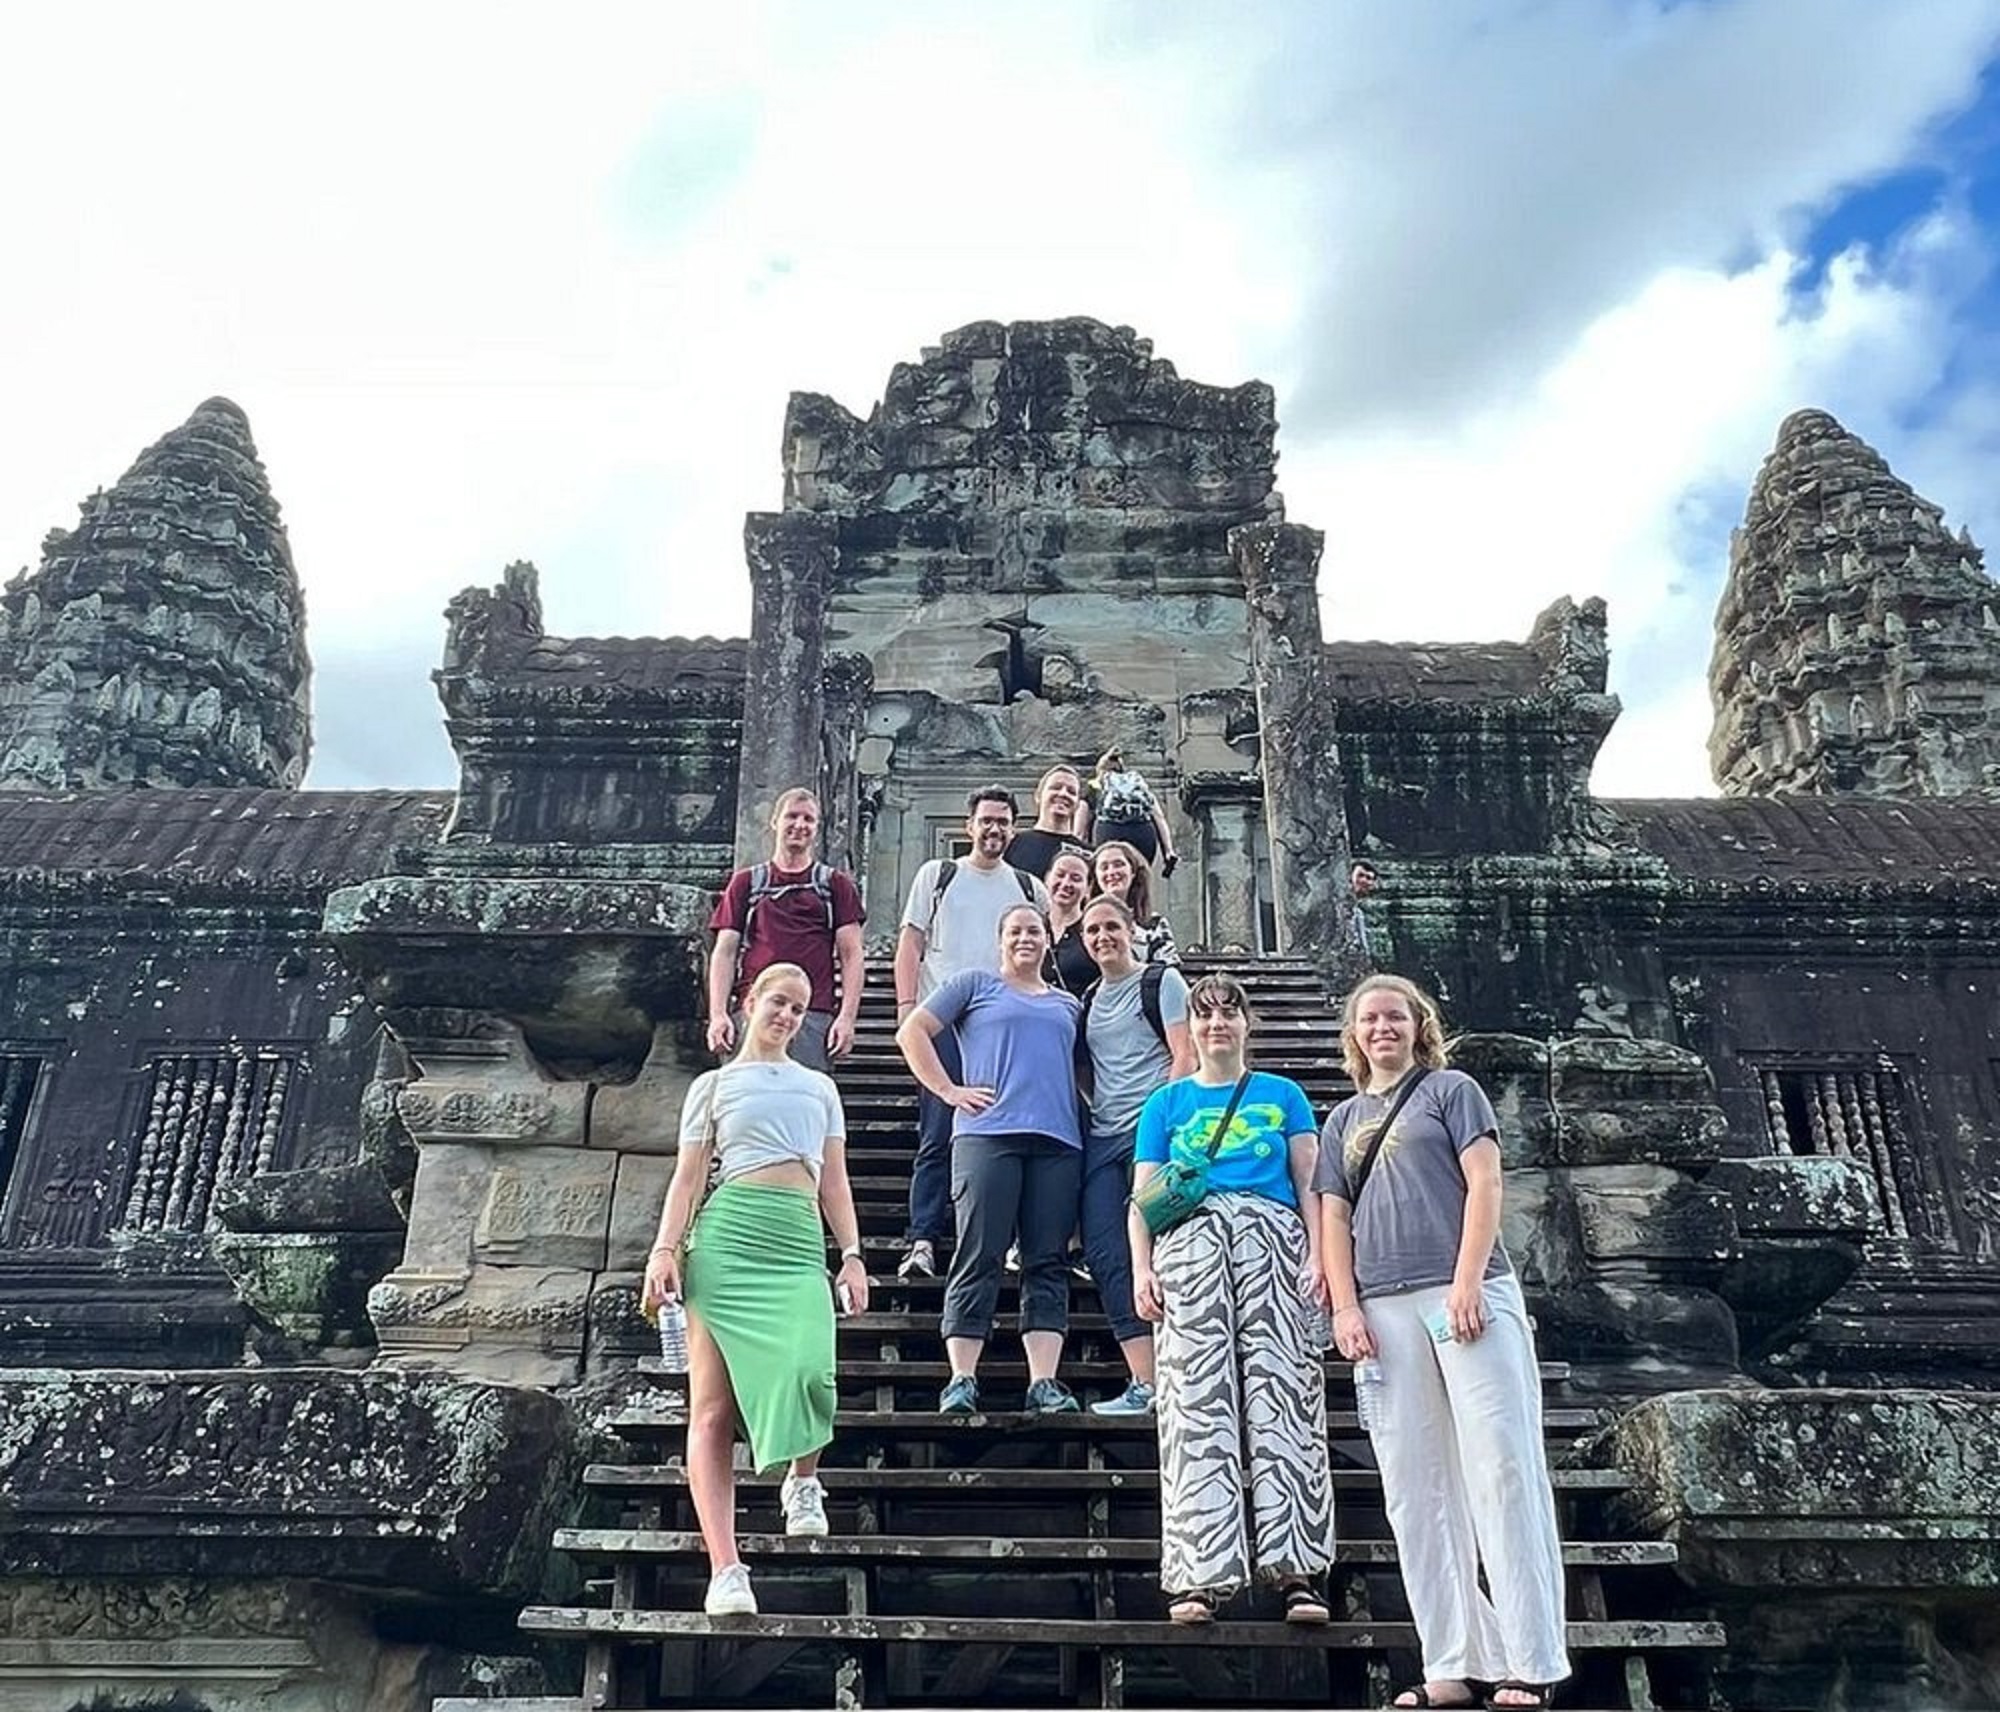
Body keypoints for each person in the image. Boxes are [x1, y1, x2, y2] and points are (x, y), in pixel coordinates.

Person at [1318, 974, 1569, 1711]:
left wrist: (1467, 1281)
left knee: (1501, 1467)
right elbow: (1333, 1217)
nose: (1382, 1028)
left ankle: (1530, 1658)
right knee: (1414, 1488)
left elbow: (1485, 1184)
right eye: (1370, 1019)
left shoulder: (1451, 1091)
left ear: (1418, 1025)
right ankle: (1450, 1661)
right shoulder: (1341, 1121)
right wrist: (1345, 1307)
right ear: (1354, 1035)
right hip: (1382, 1306)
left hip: (1467, 1293)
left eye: (1395, 1016)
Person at [643, 963, 871, 1618]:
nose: (788, 1016)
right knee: (711, 1410)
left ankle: (803, 1479)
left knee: (812, 1371)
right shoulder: (713, 1086)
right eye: (779, 1002)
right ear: (749, 1003)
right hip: (728, 1242)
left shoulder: (819, 1087)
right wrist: (664, 1249)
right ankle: (726, 1569)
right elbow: (689, 1178)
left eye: (799, 1008)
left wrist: (852, 1255)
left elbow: (835, 1180)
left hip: (796, 1243)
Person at [1130, 972, 1333, 1625]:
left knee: (1286, 1395)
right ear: (1190, 1026)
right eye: (1204, 1013)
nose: (1217, 1023)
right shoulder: (1166, 1103)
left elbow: (1310, 1183)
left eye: (1229, 1012)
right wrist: (1141, 1269)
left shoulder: (1284, 1093)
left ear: (1248, 1023)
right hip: (1190, 1245)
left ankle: (1297, 1571)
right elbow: (1144, 1197)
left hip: (1272, 1238)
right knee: (1193, 1401)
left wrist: (1321, 1255)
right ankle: (1199, 1574)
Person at [896, 902, 1085, 1414]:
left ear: (1047, 939)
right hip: (987, 1134)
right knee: (979, 1252)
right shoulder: (974, 984)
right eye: (1015, 931)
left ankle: (1044, 1381)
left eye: (1034, 930)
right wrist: (947, 1090)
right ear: (1000, 940)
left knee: (1047, 1259)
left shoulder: (1068, 1004)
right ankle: (961, 1377)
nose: (1025, 938)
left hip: (1058, 1141)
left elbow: (1083, 1072)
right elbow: (912, 1031)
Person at [893, 788, 1050, 1280]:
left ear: (1014, 829)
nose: (994, 829)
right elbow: (910, 944)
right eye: (986, 820)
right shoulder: (938, 875)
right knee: (937, 1131)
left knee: (1008, 1130)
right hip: (943, 1017)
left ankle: (1007, 1240)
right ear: (969, 825)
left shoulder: (1028, 888)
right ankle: (922, 1238)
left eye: (1003, 822)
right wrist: (906, 1009)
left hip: (1003, 1023)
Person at [1075, 896, 1193, 1415]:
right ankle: (1145, 1381)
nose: (1103, 937)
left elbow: (1185, 1054)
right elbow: (1085, 1067)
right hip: (1105, 1136)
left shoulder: (1162, 981)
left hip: (1155, 1132)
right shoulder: (1088, 999)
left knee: (1168, 1250)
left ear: (1132, 932)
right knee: (1106, 1252)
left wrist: (1159, 1120)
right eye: (1092, 931)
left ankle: (1185, 1374)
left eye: (1111, 927)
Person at [705, 788, 865, 1072]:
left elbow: (851, 955)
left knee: (804, 1094)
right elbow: (725, 952)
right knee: (746, 1091)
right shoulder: (746, 883)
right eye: (792, 816)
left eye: (809, 819)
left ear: (817, 828)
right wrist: (718, 1014)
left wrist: (846, 1018)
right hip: (755, 1009)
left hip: (812, 1013)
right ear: (775, 821)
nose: (800, 825)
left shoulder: (835, 885)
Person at [1087, 748, 1178, 873]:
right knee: (1140, 874)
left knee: (1110, 873)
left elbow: (1081, 824)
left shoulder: (1098, 785)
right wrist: (1168, 851)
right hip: (1143, 833)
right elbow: (1159, 817)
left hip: (1109, 831)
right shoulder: (1138, 784)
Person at [1091, 840, 1180, 967]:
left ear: (1132, 871)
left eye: (1118, 865)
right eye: (1104, 867)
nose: (1111, 872)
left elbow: (1169, 965)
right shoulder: (1083, 923)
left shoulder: (1154, 923)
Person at [1005, 763, 1091, 879]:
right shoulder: (1011, 844)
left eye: (1071, 791)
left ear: (1077, 804)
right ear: (1038, 796)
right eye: (1056, 787)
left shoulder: (1088, 855)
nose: (1063, 794)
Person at [1042, 845, 1097, 995]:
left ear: (1088, 888)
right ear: (1047, 879)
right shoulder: (1032, 927)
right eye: (1060, 875)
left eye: (1076, 878)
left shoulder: (1095, 930)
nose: (1066, 883)